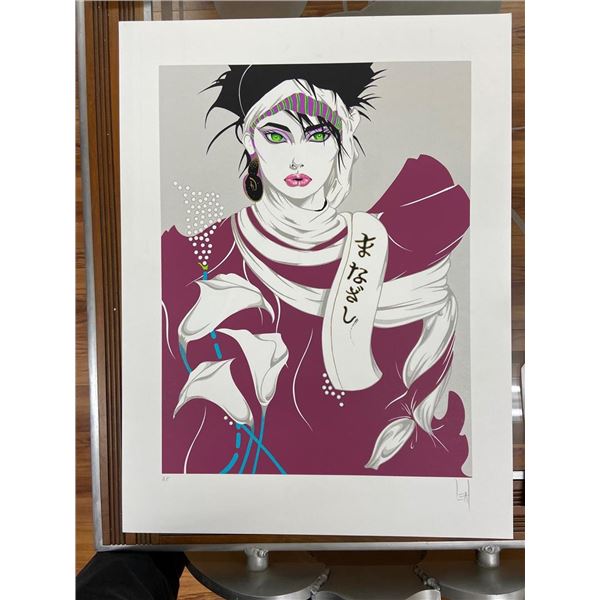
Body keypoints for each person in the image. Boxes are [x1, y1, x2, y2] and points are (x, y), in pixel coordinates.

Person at [161, 63, 470, 476]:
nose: (297, 158)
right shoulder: (196, 258)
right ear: (248, 140)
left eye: (318, 135)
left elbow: (422, 420)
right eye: (276, 136)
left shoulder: (396, 252)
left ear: (347, 132)